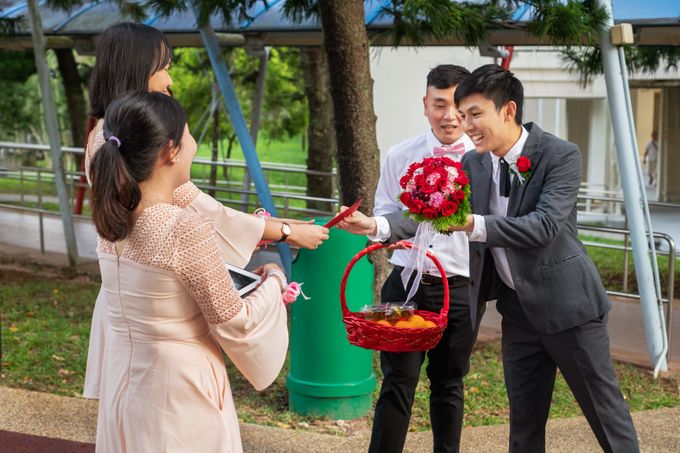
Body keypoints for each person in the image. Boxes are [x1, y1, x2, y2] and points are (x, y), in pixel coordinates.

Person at [384, 64, 639, 452]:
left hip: (570, 309)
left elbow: (543, 227)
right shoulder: (474, 163)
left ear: (508, 111)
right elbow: (433, 210)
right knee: (523, 423)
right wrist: (378, 227)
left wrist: (474, 225)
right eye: (462, 114)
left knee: (606, 417)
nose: (466, 124)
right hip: (517, 311)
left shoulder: (560, 155)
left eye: (474, 114)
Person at [82, 22, 329, 399]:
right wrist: (284, 237)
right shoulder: (128, 149)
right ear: (137, 69)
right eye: (163, 66)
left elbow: (198, 206)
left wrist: (278, 224)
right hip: (159, 328)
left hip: (131, 305)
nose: (170, 80)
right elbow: (199, 210)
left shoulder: (107, 136)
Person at [89, 91, 289, 451]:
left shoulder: (111, 219)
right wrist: (273, 280)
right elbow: (234, 320)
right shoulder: (182, 227)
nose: (193, 144)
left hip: (123, 378)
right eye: (188, 134)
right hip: (178, 384)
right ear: (170, 151)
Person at [338, 65, 480, 453]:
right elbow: (387, 215)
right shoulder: (401, 154)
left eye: (456, 106)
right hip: (404, 285)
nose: (449, 116)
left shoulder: (482, 160)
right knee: (397, 383)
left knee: (449, 383)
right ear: (425, 104)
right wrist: (372, 224)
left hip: (461, 289)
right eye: (439, 105)